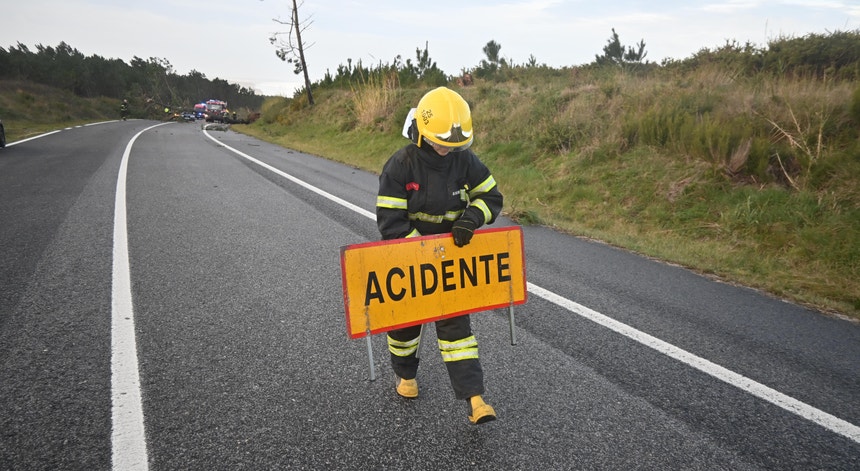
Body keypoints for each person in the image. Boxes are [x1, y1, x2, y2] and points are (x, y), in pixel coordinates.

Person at [376, 86, 503, 425]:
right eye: (441, 143)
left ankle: (476, 400)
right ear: (423, 133)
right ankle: (405, 375)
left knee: (458, 332)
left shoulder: (465, 161)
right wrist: (422, 250)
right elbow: (390, 221)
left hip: (450, 264)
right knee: (404, 327)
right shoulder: (400, 165)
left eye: (454, 145)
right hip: (409, 259)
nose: (447, 150)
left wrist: (470, 219)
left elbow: (491, 198)